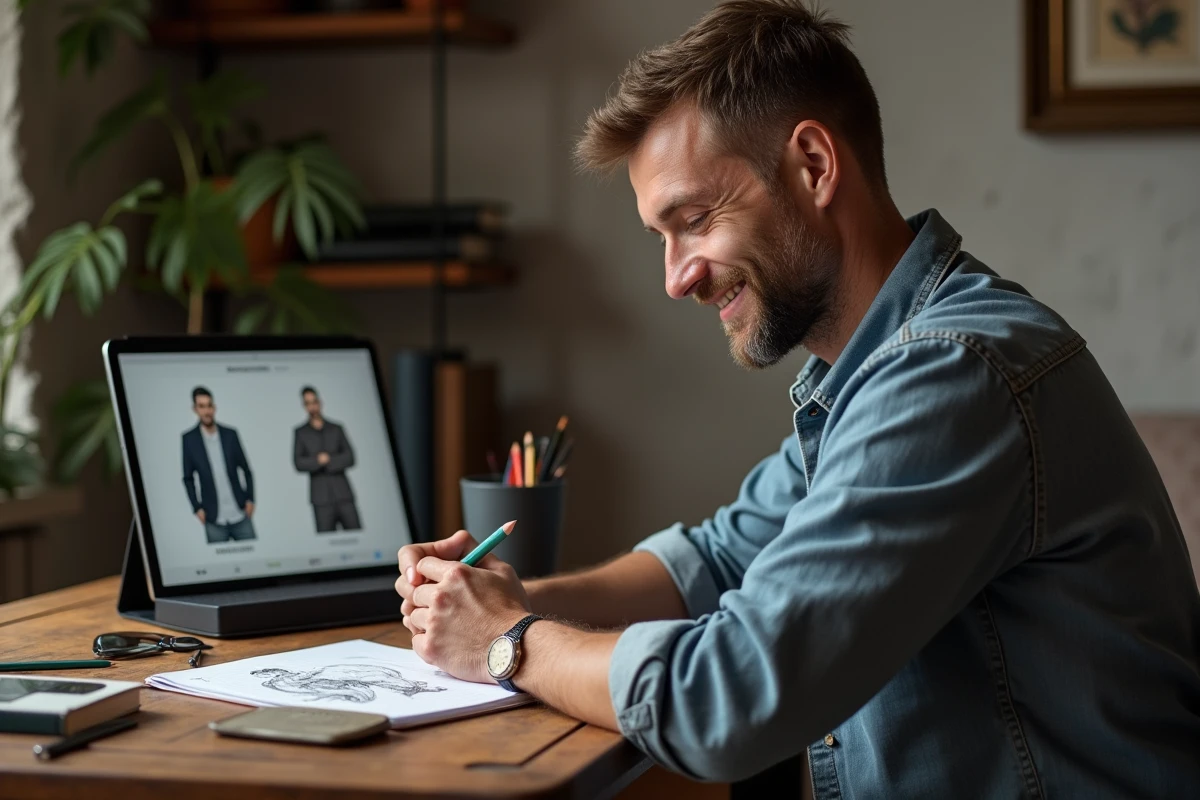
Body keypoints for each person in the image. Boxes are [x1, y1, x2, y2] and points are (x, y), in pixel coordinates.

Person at [395, 1, 1200, 796]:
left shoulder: (952, 375)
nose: (676, 278)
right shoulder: (878, 371)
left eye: (695, 219)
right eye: (661, 237)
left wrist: (506, 641)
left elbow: (729, 702)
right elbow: (711, 560)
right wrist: (497, 597)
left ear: (813, 166)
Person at [181, 387, 256, 544]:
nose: (207, 411)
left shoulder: (230, 434)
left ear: (214, 407)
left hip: (240, 512)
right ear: (195, 409)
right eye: (201, 406)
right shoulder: (189, 439)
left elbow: (246, 469)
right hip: (213, 517)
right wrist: (197, 508)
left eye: (209, 405)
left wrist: (250, 499)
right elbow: (188, 478)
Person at [293, 386, 361, 533]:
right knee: (325, 539)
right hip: (321, 498)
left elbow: (350, 457)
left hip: (343, 494)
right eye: (308, 403)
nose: (312, 406)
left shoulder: (336, 428)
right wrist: (318, 461)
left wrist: (329, 460)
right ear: (304, 406)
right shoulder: (301, 432)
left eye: (314, 401)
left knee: (356, 534)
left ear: (320, 402)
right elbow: (298, 463)